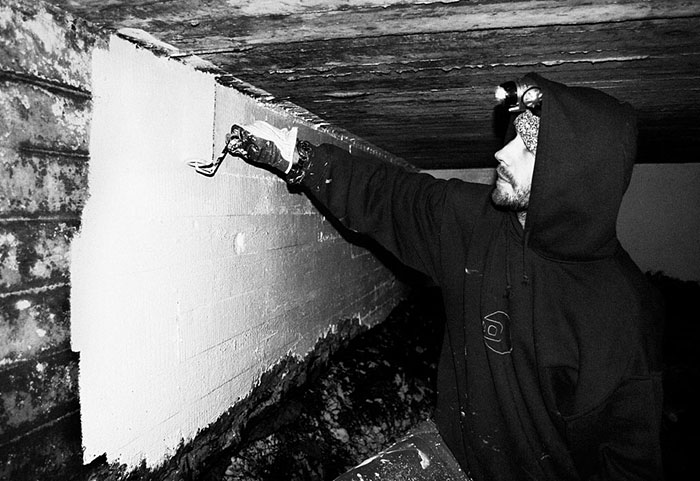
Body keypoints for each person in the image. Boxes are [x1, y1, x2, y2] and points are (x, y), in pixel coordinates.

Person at [221, 73, 665, 480]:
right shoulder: (475, 222)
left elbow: (628, 461)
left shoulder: (620, 311)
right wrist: (298, 160)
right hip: (452, 450)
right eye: (514, 137)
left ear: (570, 175)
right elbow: (392, 196)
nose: (502, 152)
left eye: (528, 148)